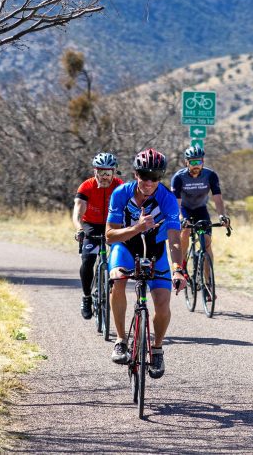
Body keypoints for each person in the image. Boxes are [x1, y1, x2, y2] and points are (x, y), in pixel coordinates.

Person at [106, 148, 186, 379]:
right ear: (135, 174)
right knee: (117, 280)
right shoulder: (121, 193)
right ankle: (121, 340)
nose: (149, 182)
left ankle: (157, 349)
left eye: (155, 177)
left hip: (155, 250)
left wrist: (178, 270)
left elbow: (174, 239)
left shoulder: (167, 198)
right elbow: (110, 236)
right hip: (125, 247)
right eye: (144, 176)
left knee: (162, 302)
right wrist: (137, 228)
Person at [171, 145, 229, 299]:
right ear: (186, 162)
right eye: (192, 162)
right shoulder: (179, 177)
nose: (196, 165)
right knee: (185, 231)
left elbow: (218, 199)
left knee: (207, 242)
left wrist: (222, 216)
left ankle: (208, 284)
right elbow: (176, 204)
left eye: (198, 162)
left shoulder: (211, 175)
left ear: (203, 161)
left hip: (201, 209)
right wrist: (181, 219)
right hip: (184, 209)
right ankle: (182, 265)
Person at [72, 152, 124, 319]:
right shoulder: (86, 186)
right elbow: (77, 214)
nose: (104, 177)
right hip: (91, 225)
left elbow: (129, 208)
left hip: (112, 225)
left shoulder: (120, 186)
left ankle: (112, 285)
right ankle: (87, 297)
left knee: (120, 258)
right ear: (95, 171)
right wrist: (79, 229)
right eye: (101, 172)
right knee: (88, 260)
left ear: (114, 172)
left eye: (108, 173)